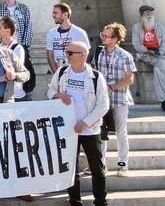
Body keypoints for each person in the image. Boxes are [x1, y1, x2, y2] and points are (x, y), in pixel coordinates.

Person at [47, 41, 109, 206]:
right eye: (66, 52)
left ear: (83, 55)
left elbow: (103, 105)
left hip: (90, 130)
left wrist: (85, 122)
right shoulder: (62, 72)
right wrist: (58, 95)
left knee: (97, 168)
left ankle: (101, 202)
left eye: (70, 53)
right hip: (68, 128)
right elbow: (50, 90)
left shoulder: (96, 76)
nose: (66, 55)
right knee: (71, 169)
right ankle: (75, 202)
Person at [131, 5, 165, 112]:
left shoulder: (159, 26)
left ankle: (164, 102)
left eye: (151, 13)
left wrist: (160, 52)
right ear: (142, 15)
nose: (149, 15)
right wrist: (147, 51)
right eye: (147, 13)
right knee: (162, 64)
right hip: (146, 54)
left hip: (160, 54)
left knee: (159, 68)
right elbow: (136, 44)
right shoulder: (136, 27)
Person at [98, 23, 136, 176]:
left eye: (106, 36)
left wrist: (112, 87)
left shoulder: (125, 56)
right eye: (102, 34)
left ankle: (123, 164)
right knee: (101, 132)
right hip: (103, 99)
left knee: (121, 132)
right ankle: (101, 164)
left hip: (119, 99)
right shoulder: (100, 53)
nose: (103, 37)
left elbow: (129, 79)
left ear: (115, 39)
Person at [46, 3, 90, 74]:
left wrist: (78, 72)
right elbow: (50, 56)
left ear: (65, 15)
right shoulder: (51, 33)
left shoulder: (79, 32)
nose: (53, 16)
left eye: (55, 13)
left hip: (76, 72)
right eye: (53, 13)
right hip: (59, 72)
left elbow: (86, 54)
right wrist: (57, 75)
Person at [0, 16, 31, 101]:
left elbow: (17, 69)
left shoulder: (17, 48)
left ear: (7, 31)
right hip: (0, 92)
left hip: (15, 94)